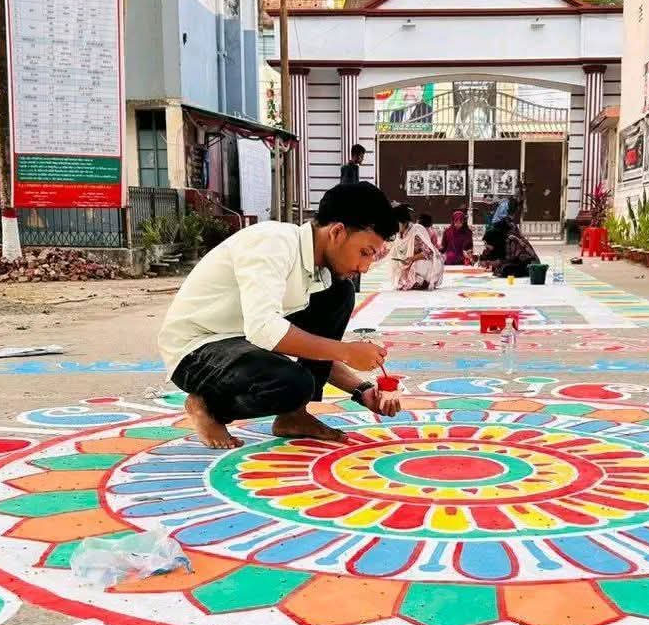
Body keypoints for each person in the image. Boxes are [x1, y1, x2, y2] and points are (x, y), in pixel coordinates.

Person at [159, 182, 400, 451]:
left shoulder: (319, 274)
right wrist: (346, 351)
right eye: (364, 253)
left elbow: (315, 350)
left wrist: (362, 390)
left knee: (339, 294)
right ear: (337, 232)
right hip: (197, 350)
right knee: (292, 383)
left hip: (242, 344)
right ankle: (207, 406)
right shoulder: (272, 243)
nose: (365, 267)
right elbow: (264, 329)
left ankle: (293, 416)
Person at [388, 203, 444, 291]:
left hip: (426, 262)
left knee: (418, 265)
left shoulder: (416, 231)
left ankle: (425, 280)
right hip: (410, 262)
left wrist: (412, 258)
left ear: (404, 222)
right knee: (399, 271)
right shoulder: (399, 234)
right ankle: (416, 280)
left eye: (396, 223)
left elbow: (429, 252)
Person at [480, 211, 539, 278]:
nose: (485, 246)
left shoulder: (511, 239)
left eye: (487, 243)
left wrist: (496, 263)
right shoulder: (500, 240)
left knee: (505, 269)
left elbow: (512, 260)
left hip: (530, 267)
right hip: (517, 264)